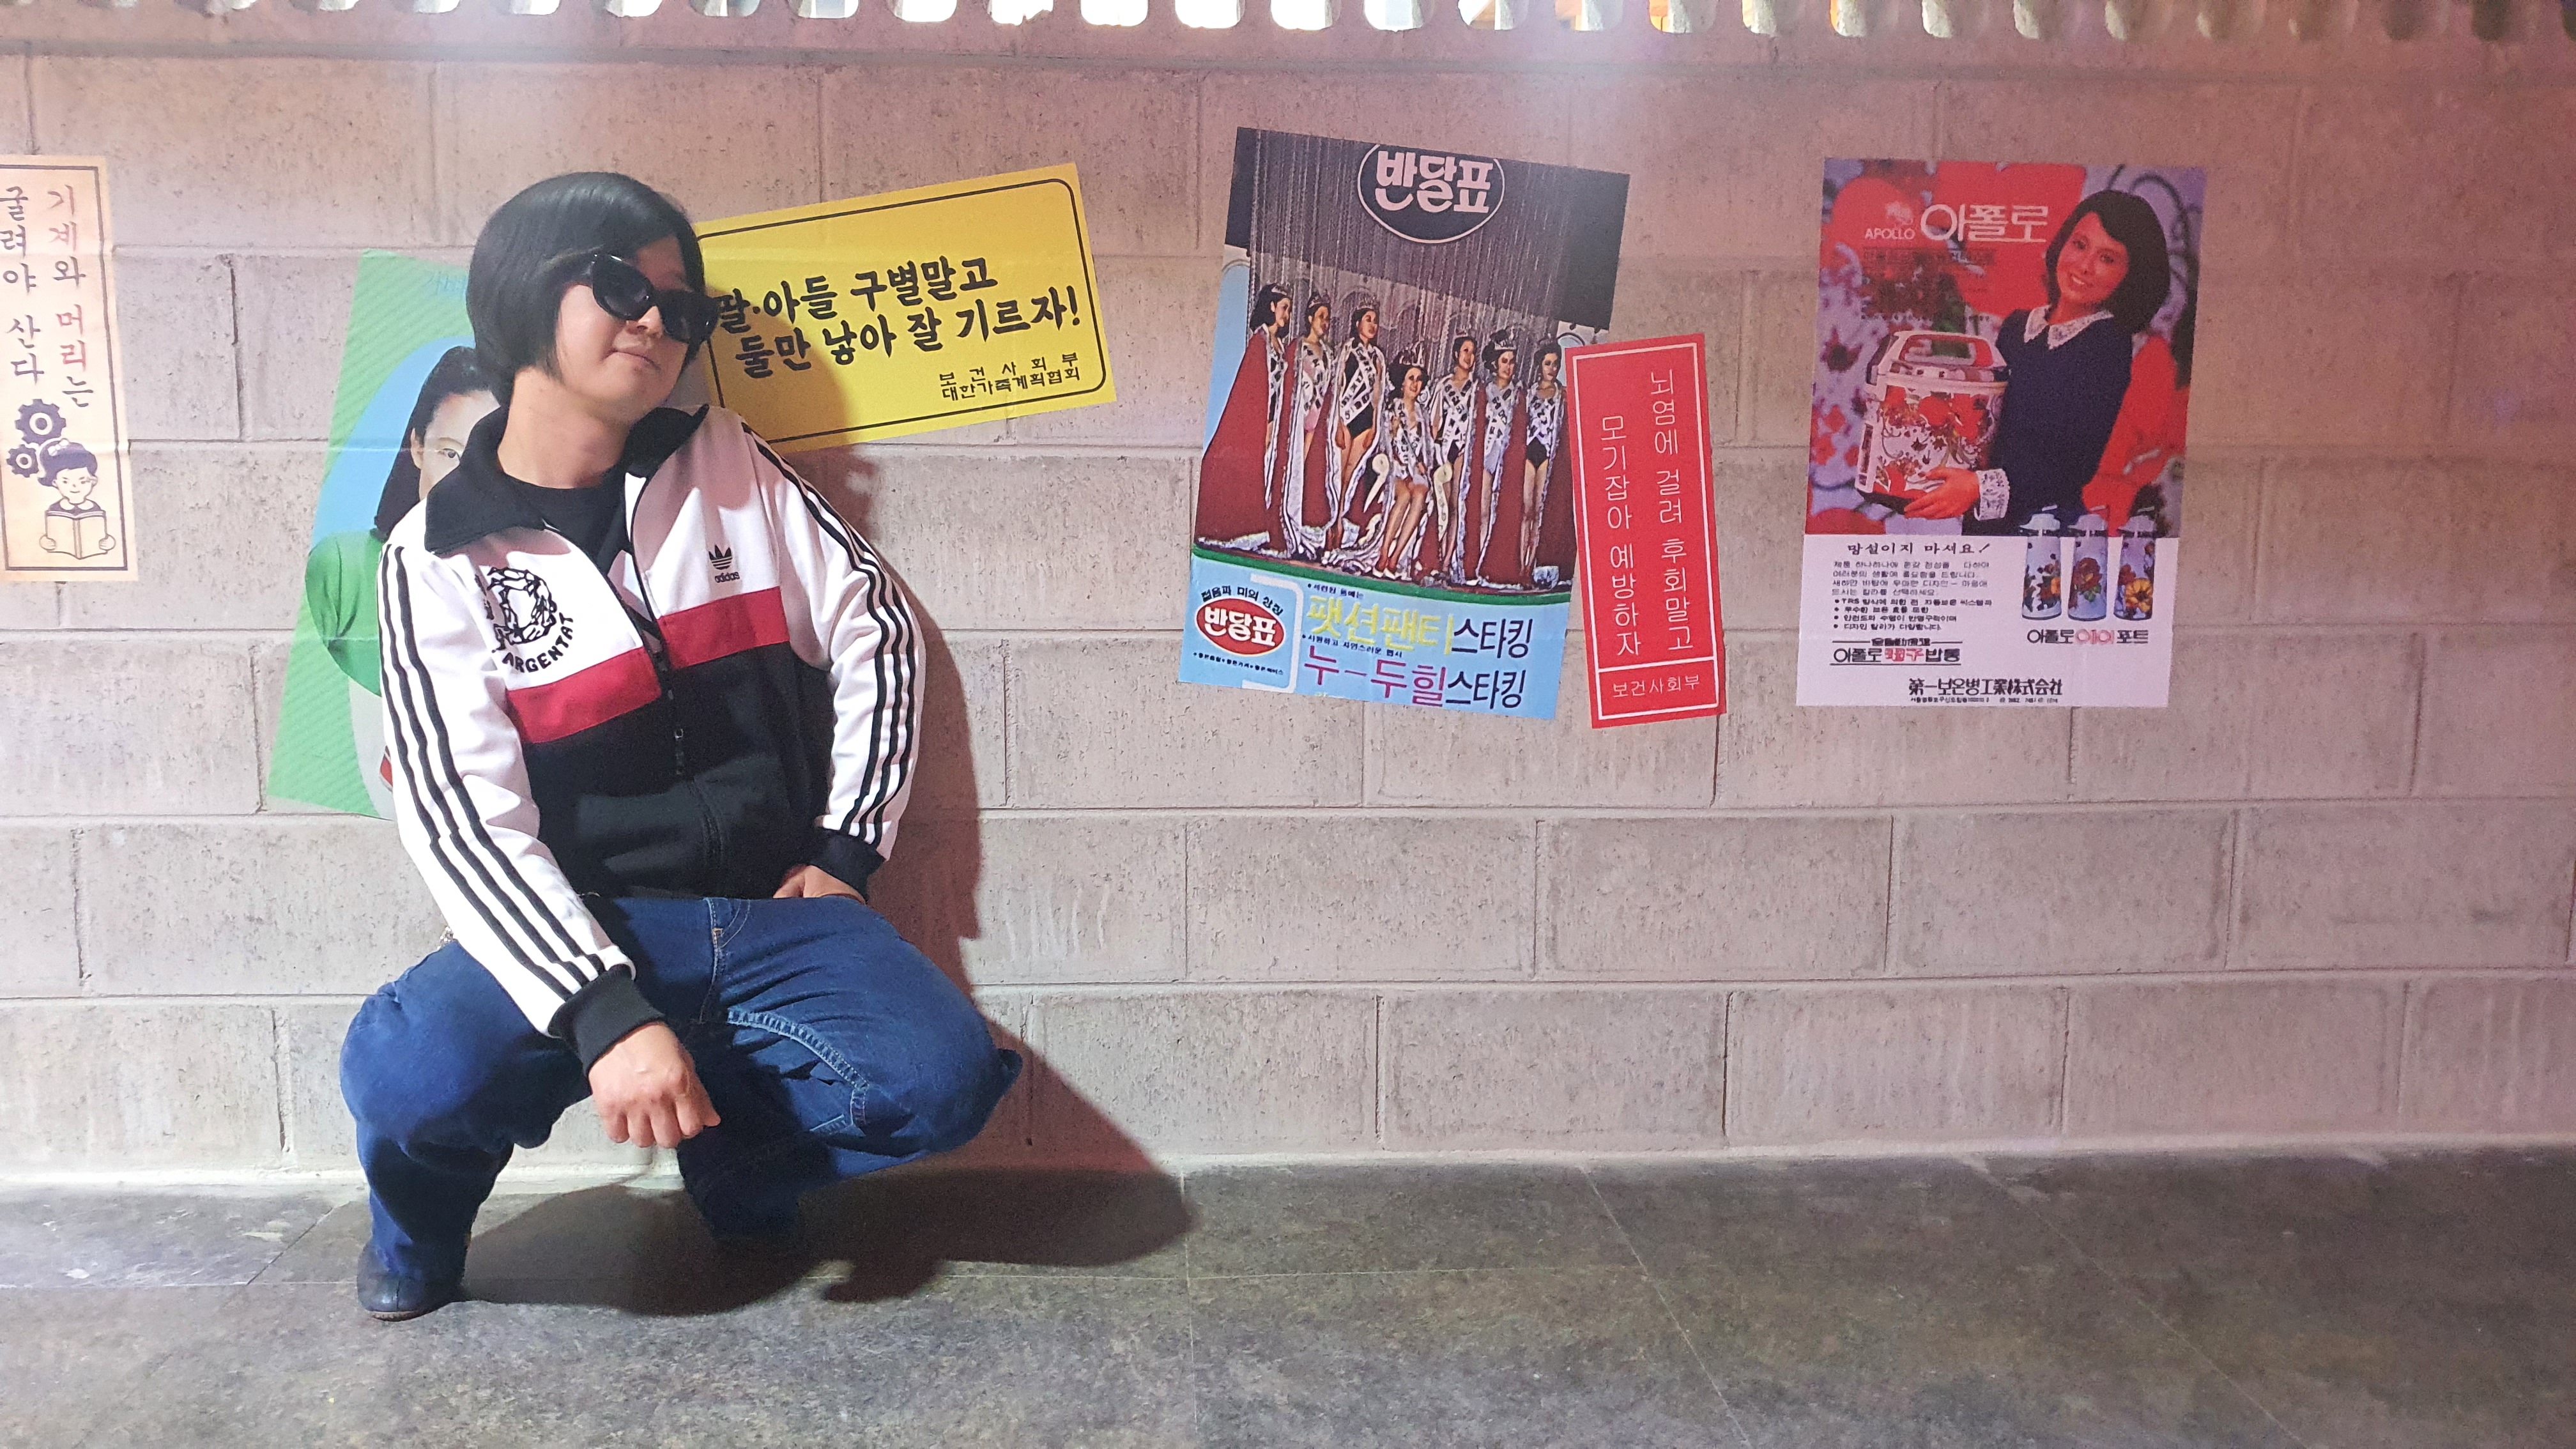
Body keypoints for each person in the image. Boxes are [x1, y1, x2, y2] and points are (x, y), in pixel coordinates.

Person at [339, 172, 1021, 1321]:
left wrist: (848, 848)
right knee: (411, 1074)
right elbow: (462, 821)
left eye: (680, 303)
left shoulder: (724, 461)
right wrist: (602, 1014)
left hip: (766, 911)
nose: (656, 321)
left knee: (940, 1082)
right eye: (621, 286)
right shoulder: (435, 556)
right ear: (522, 292)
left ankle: (739, 1163)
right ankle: (417, 1233)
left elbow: (879, 628)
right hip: (584, 915)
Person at [1904, 190, 2173, 534]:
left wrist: (1979, 487)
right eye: (2080, 245)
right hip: (1984, 515)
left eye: (2107, 259)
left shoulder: (2106, 345)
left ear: (2129, 275)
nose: (2085, 266)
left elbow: (2073, 465)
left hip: (2043, 524)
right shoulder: (2018, 327)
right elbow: (1989, 423)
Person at [302, 348, 499, 815]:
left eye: (486, 457)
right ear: (417, 446)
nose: (461, 478)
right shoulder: (342, 566)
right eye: (449, 453)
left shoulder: (528, 576)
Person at [1326, 301, 1386, 553]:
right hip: (1345, 419)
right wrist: (1338, 423)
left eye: (1375, 321)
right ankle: (1329, 525)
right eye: (1368, 319)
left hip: (1365, 422)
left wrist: (1374, 427)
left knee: (1351, 477)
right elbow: (1338, 386)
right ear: (1358, 323)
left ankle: (1340, 524)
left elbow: (1378, 395)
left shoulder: (1378, 357)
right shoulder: (1347, 350)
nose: (1373, 325)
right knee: (1337, 475)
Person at [1371, 360, 1435, 579]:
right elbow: (1381, 444)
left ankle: (1395, 558)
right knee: (1405, 495)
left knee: (1421, 494)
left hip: (1414, 471)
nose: (1415, 384)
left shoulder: (1423, 413)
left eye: (1419, 380)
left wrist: (1424, 463)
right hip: (1394, 468)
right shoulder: (1392, 408)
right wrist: (1392, 431)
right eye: (1411, 379)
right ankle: (1383, 554)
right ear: (1402, 382)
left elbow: (1427, 447)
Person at [1426, 334, 1480, 584]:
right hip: (1443, 449)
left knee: (1457, 504)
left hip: (1463, 451)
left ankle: (1448, 561)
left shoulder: (1476, 388)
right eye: (1465, 351)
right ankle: (1434, 557)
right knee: (1442, 505)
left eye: (1473, 352)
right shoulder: (1443, 385)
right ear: (1456, 354)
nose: (1469, 356)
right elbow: (1434, 422)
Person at [1287, 296, 1335, 560]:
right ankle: (1291, 534)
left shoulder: (1329, 353)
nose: (1325, 322)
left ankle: (1308, 539)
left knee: (1311, 480)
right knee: (1295, 474)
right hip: (1299, 420)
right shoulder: (1298, 348)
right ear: (1309, 319)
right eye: (1320, 317)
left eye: (1328, 318)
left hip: (1318, 425)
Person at [1517, 341, 1565, 583]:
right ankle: (1520, 565)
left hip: (1547, 455)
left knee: (1539, 511)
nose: (1552, 369)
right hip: (1529, 453)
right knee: (1526, 511)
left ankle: (1530, 564)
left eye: (1556, 364)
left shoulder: (1562, 395)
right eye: (1548, 364)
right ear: (1540, 366)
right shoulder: (1528, 392)